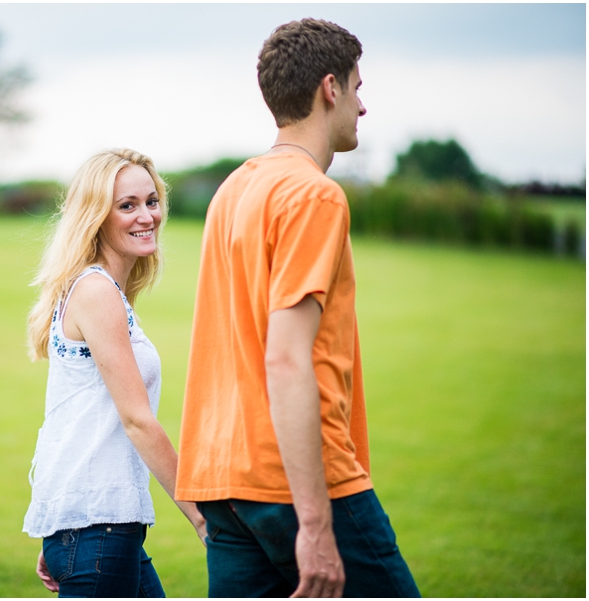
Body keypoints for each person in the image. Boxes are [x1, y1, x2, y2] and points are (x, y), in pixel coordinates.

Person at [174, 19, 420, 598]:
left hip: (223, 480)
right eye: (358, 88)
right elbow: (285, 358)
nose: (362, 107)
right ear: (329, 88)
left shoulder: (233, 189)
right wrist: (315, 524)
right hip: (297, 482)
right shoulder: (313, 193)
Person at [23, 148, 206, 597]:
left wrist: (60, 523)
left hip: (96, 531)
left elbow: (64, 415)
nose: (147, 216)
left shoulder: (97, 290)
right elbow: (137, 421)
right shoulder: (96, 292)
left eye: (151, 201)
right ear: (96, 217)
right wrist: (203, 516)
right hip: (98, 535)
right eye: (127, 205)